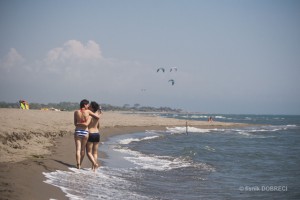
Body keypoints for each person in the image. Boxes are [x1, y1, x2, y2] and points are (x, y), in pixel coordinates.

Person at [74, 99, 91, 169]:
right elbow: (87, 124)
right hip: (85, 132)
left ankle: (78, 163)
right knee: (83, 149)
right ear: (85, 105)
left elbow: (75, 123)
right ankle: (80, 163)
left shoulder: (76, 112)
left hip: (78, 131)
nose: (89, 106)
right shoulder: (88, 112)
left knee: (78, 149)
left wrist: (79, 123)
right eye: (88, 104)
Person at [86, 101, 102, 171]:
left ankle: (95, 163)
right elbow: (98, 125)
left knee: (89, 152)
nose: (88, 107)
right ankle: (93, 169)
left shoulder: (90, 116)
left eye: (90, 106)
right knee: (95, 152)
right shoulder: (98, 115)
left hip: (91, 133)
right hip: (97, 134)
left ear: (92, 108)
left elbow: (87, 124)